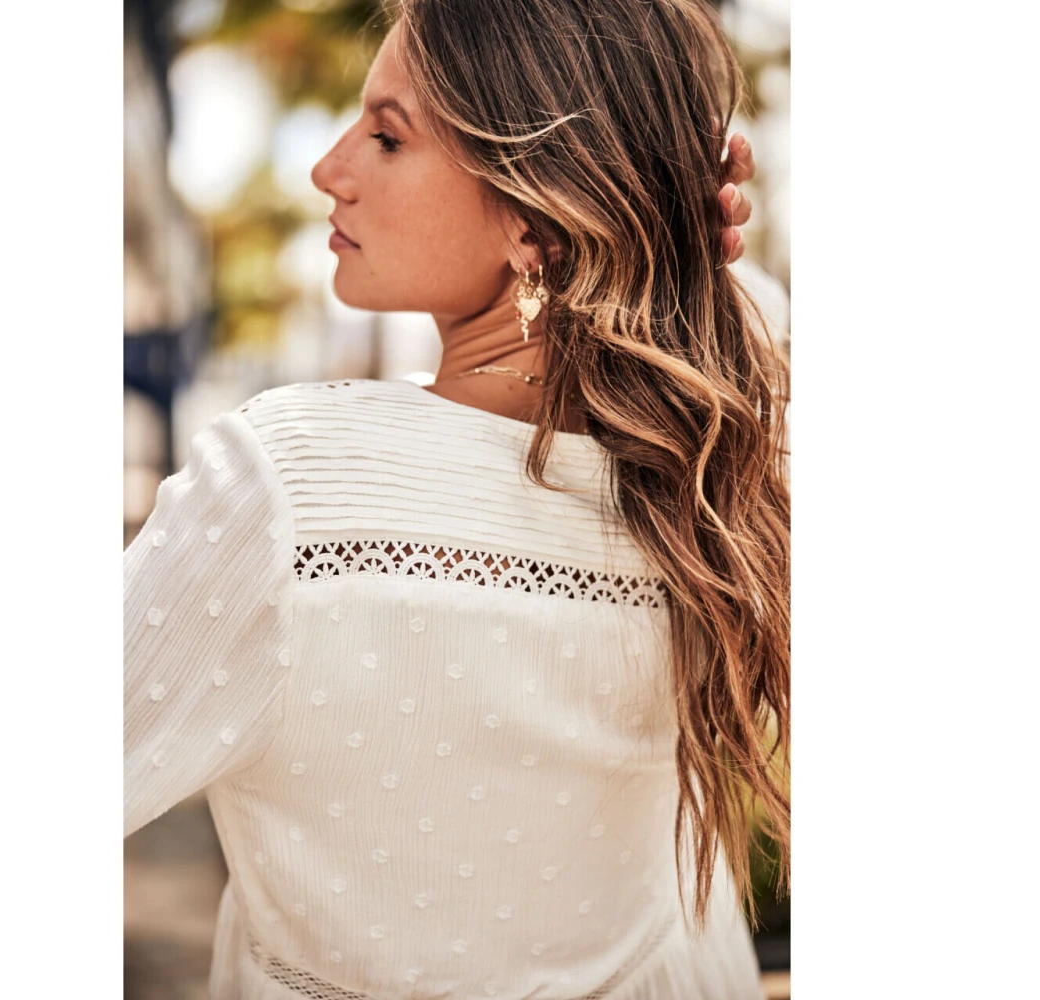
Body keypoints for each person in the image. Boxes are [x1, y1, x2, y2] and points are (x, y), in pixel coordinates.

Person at [124, 1, 789, 996]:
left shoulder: (289, 486)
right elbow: (752, 323)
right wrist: (675, 237)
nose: (329, 169)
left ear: (537, 214)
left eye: (389, 137)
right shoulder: (714, 453)